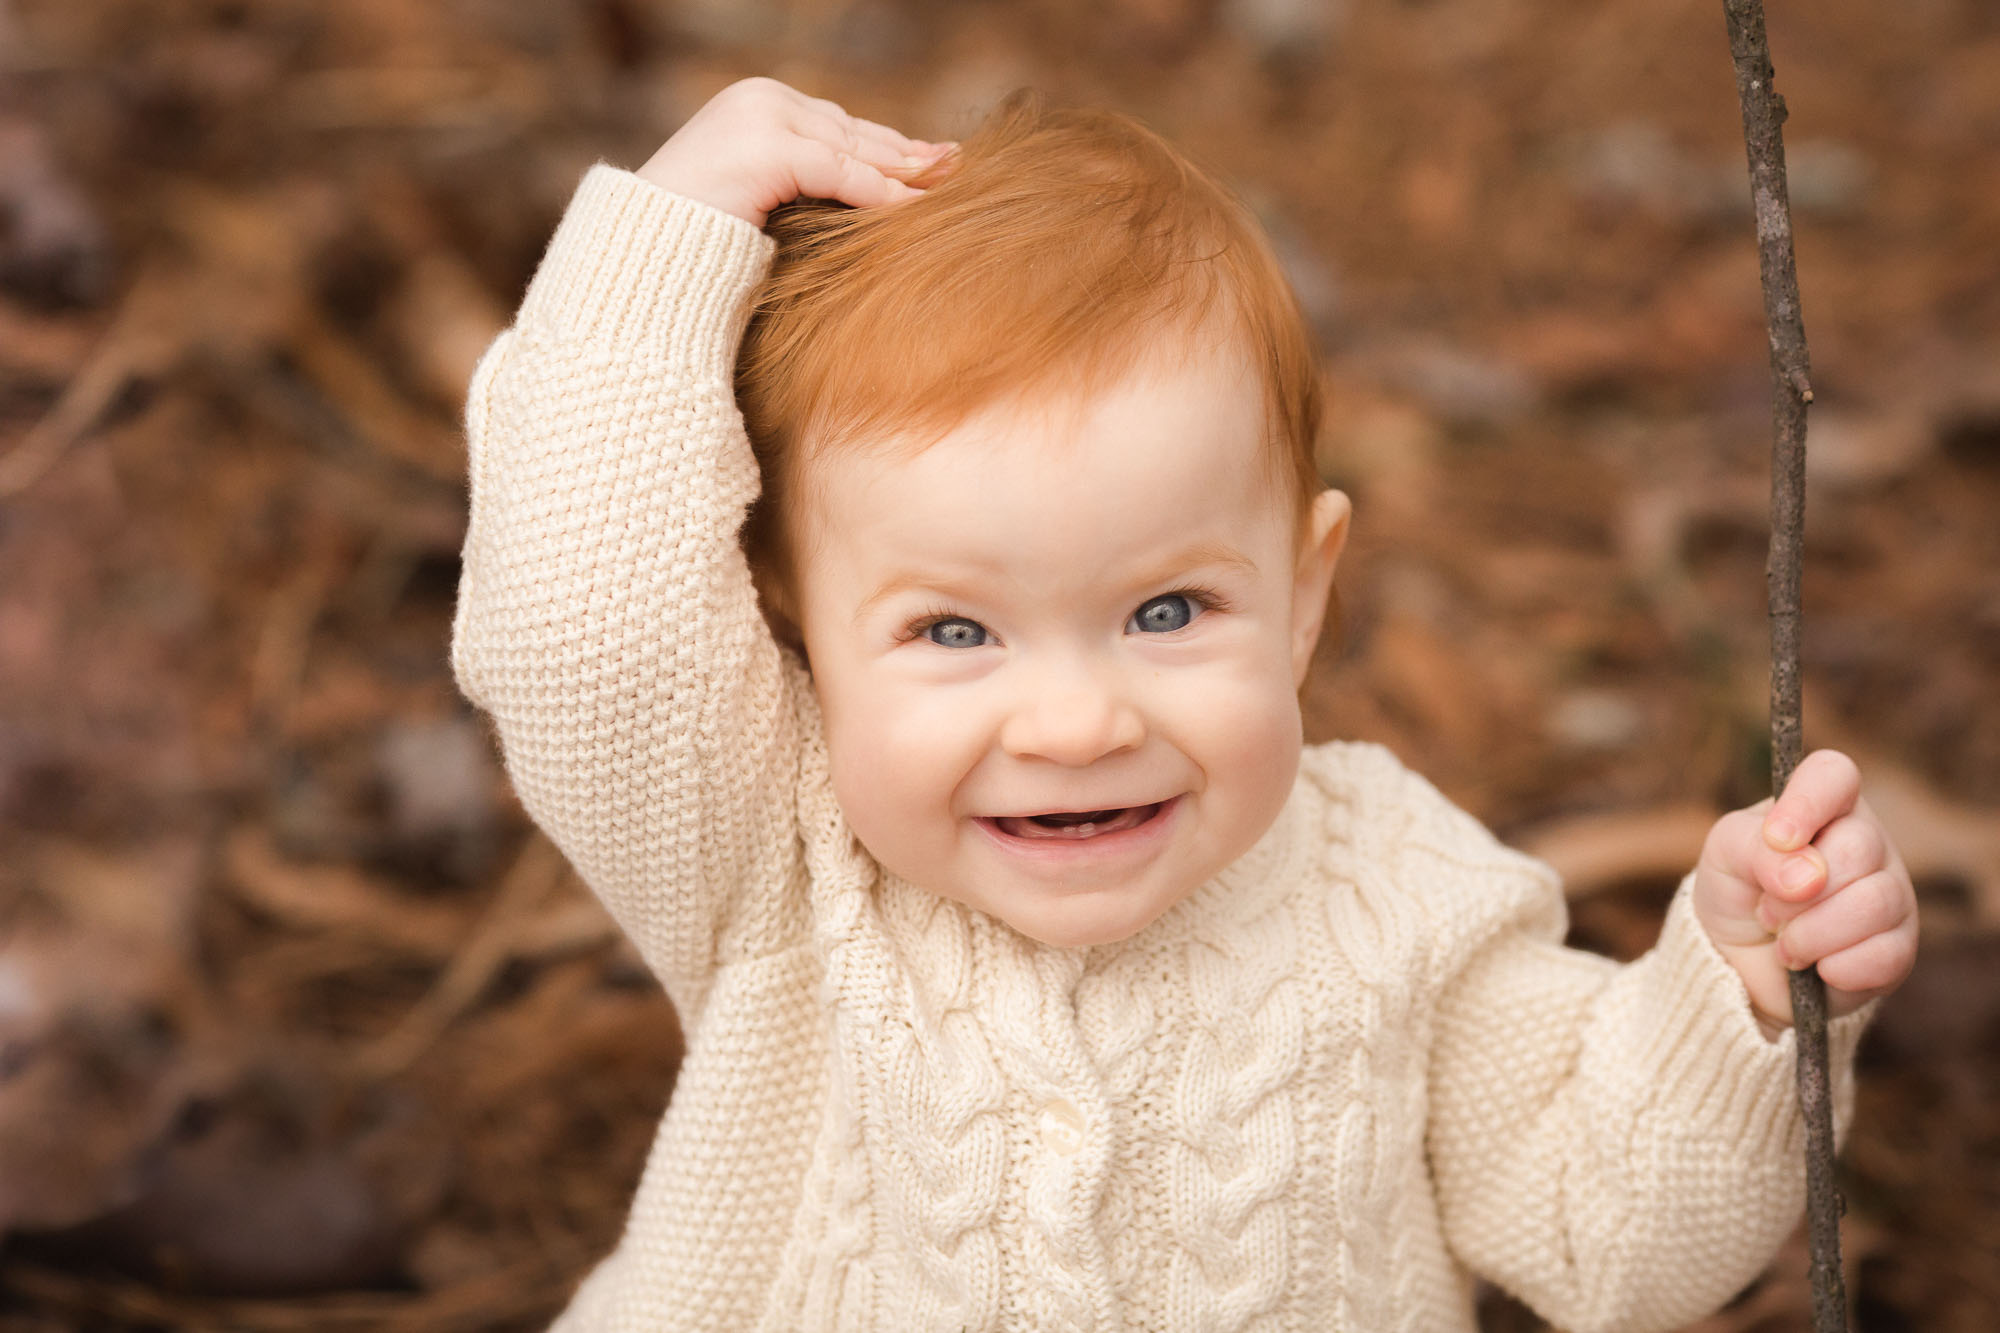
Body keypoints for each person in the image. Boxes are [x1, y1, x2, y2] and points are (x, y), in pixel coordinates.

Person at [450, 76, 1919, 1332]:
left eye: (1167, 612)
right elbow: (581, 634)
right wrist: (663, 239)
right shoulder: (780, 855)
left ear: (1304, 593)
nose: (1077, 724)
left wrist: (1742, 995)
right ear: (796, 634)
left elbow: (1618, 1237)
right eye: (953, 629)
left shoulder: (1393, 890)